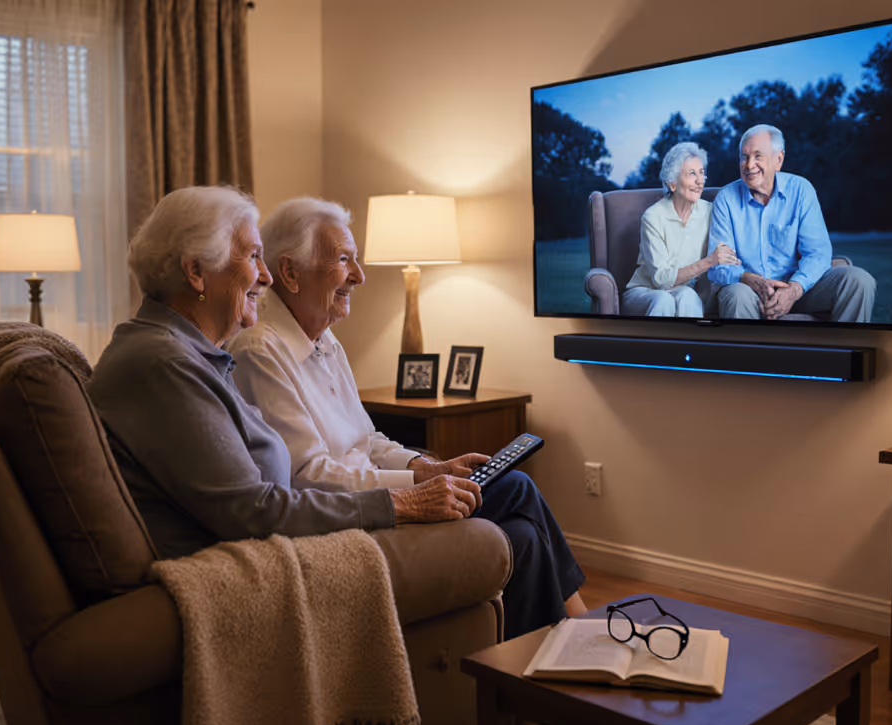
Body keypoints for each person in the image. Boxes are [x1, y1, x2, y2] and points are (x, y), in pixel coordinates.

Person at [227, 197, 587, 641]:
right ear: (289, 272)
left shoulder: (325, 342)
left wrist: (425, 467)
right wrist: (413, 490)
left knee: (522, 532)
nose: (359, 276)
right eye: (343, 260)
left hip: (378, 498)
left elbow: (367, 439)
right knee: (515, 487)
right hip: (348, 519)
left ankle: (552, 652)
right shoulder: (260, 351)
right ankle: (580, 632)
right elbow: (307, 476)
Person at [89, 186, 481, 560]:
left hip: (285, 534)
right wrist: (402, 502)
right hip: (237, 559)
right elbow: (256, 510)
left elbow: (347, 448)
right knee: (487, 534)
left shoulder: (191, 355)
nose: (266, 276)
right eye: (253, 257)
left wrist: (419, 473)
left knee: (497, 506)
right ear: (196, 271)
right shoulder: (167, 364)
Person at [705, 124, 876, 321]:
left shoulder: (801, 190)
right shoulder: (726, 199)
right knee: (737, 294)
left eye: (758, 156)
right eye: (744, 157)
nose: (749, 165)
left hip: (800, 288)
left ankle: (845, 343)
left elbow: (817, 253)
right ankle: (750, 343)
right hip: (750, 291)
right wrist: (748, 279)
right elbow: (718, 264)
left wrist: (795, 288)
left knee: (859, 281)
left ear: (778, 160)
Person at [622, 141, 740, 317]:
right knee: (664, 300)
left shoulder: (710, 212)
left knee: (688, 296)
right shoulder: (652, 217)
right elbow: (662, 281)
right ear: (672, 183)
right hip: (645, 292)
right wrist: (709, 261)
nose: (700, 181)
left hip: (683, 291)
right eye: (692, 173)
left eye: (701, 173)